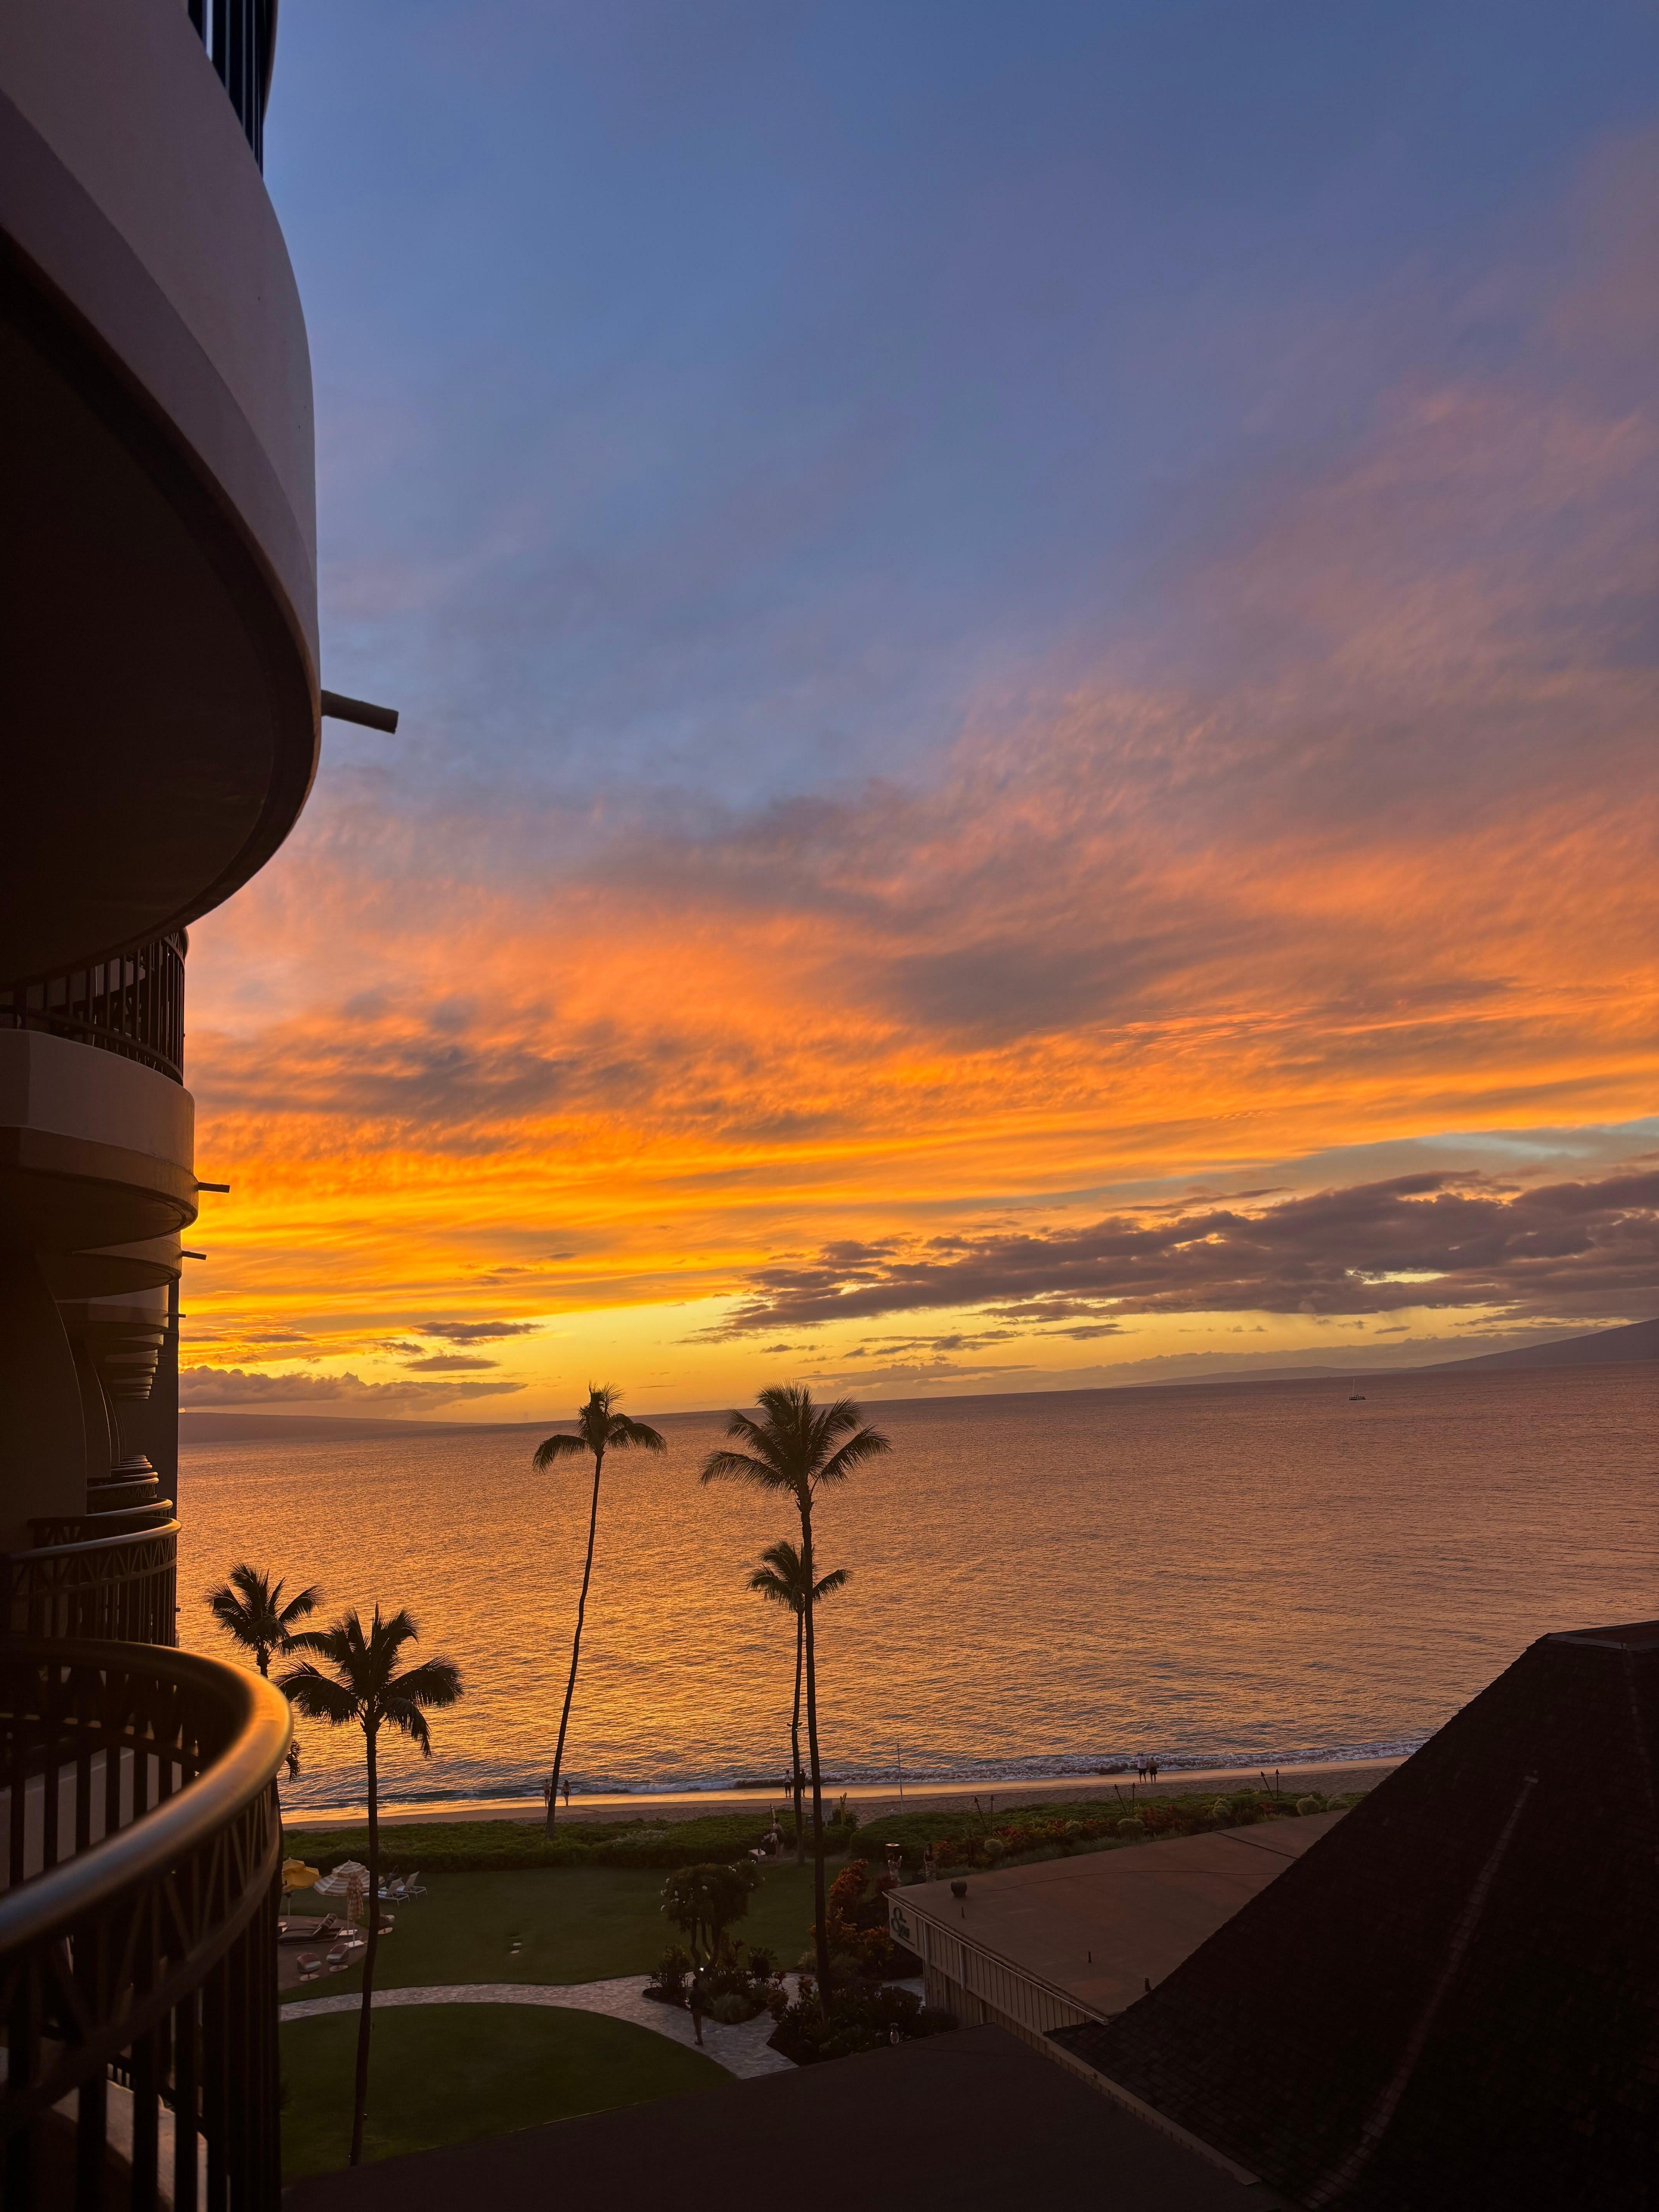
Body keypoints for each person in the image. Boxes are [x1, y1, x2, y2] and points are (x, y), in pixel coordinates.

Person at [687, 1965, 709, 2047]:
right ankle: (700, 2038)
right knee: (699, 2023)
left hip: (695, 2009)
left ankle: (700, 2040)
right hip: (701, 2009)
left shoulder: (693, 1993)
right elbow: (705, 1998)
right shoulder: (702, 1992)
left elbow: (690, 2002)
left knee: (697, 2025)